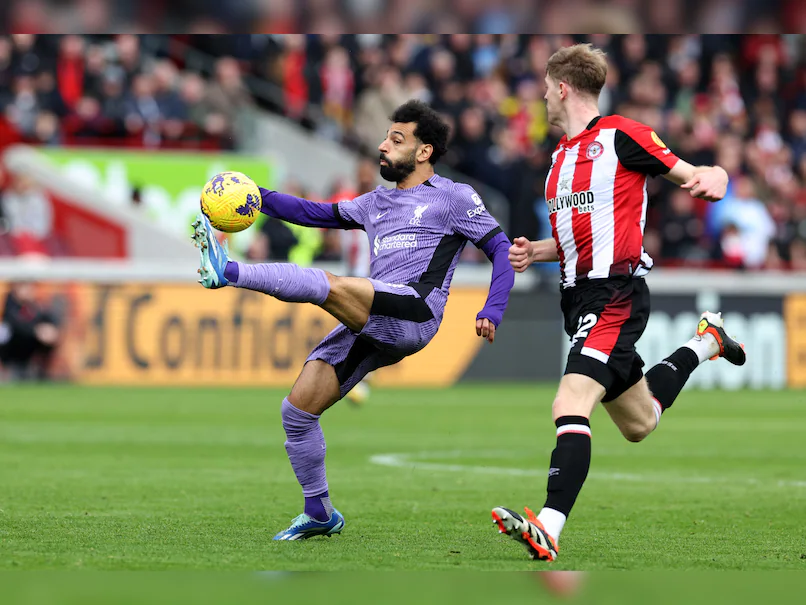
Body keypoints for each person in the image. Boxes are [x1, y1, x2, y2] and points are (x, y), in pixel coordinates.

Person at [191, 100, 515, 540]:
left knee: (332, 285)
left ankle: (228, 271)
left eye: (396, 140)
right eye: (386, 136)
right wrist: (255, 197)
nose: (383, 145)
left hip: (414, 311)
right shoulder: (376, 201)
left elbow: (500, 250)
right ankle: (319, 512)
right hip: (374, 320)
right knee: (297, 411)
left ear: (424, 152)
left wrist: (492, 308)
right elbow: (313, 213)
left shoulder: (454, 197)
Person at [491, 44, 746, 562]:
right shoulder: (558, 160)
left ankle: (550, 524)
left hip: (616, 296)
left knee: (569, 402)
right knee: (639, 423)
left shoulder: (621, 136)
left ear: (562, 87)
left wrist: (715, 175)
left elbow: (689, 170)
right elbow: (576, 238)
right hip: (577, 298)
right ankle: (706, 342)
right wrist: (534, 252)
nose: (541, 97)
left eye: (544, 88)